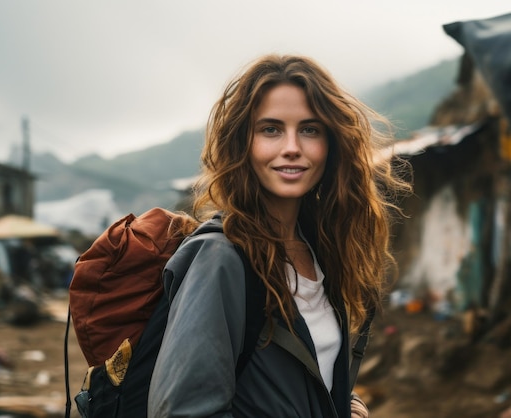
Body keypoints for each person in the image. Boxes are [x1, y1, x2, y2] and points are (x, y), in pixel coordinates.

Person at [148, 54, 410, 418]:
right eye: (271, 129)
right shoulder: (221, 258)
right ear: (244, 144)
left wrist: (343, 406)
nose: (292, 146)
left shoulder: (321, 253)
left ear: (331, 144)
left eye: (309, 129)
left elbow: (288, 383)